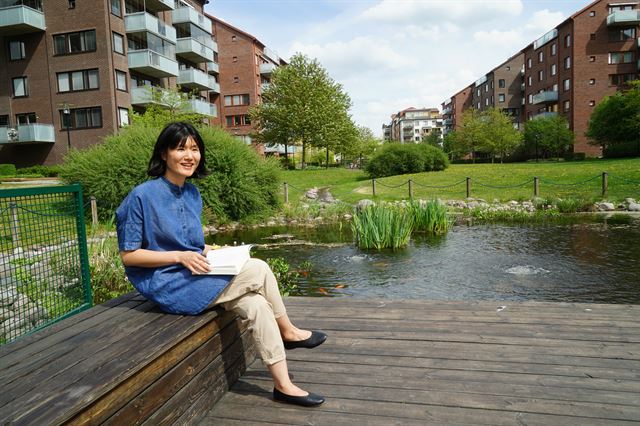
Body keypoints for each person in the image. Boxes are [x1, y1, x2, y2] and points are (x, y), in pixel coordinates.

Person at [115, 122, 327, 407]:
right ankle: (287, 331)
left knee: (257, 304)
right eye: (181, 149)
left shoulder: (192, 193)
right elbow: (129, 256)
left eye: (194, 149)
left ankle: (283, 385)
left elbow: (190, 242)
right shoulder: (141, 196)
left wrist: (215, 249)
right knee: (258, 269)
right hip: (169, 282)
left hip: (198, 273)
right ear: (164, 154)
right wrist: (180, 257)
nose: (190, 155)